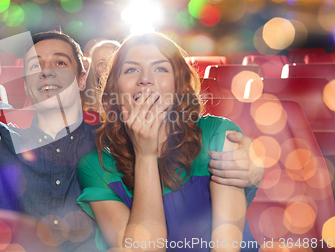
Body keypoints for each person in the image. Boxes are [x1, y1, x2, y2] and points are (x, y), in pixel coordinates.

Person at [0, 0, 261, 251]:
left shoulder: (117, 143)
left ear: (83, 78)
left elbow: (184, 166)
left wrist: (253, 167)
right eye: (36, 65)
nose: (47, 72)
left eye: (60, 63)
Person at [77, 32, 258, 252]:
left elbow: (227, 246)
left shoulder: (218, 134)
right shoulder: (95, 166)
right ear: (115, 88)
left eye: (160, 68)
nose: (146, 79)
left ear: (178, 84)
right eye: (131, 69)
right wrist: (145, 156)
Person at [82, 40, 120, 115]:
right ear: (94, 71)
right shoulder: (83, 105)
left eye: (111, 60)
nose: (107, 67)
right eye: (101, 63)